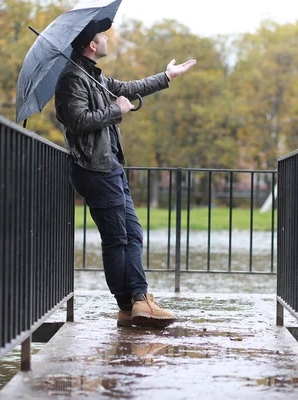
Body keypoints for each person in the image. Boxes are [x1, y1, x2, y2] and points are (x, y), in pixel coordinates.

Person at [55, 18, 196, 328]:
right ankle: (136, 300)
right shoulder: (72, 80)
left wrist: (166, 76)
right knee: (119, 238)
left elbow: (129, 89)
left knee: (129, 235)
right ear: (92, 45)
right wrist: (115, 111)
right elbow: (78, 121)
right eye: (102, 35)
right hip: (95, 169)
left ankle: (133, 303)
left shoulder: (94, 77)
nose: (107, 38)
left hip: (109, 167)